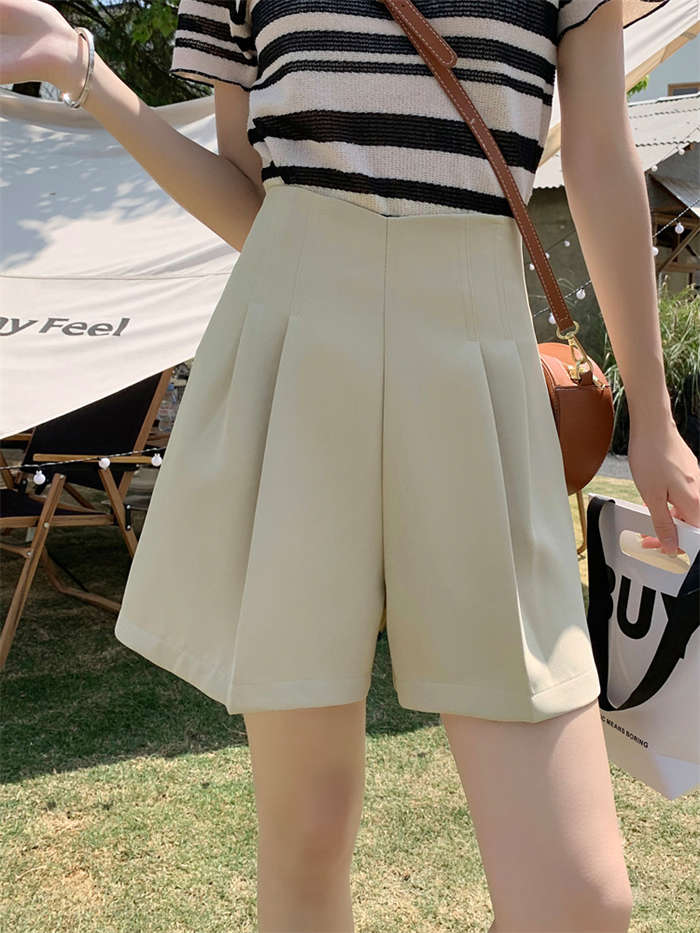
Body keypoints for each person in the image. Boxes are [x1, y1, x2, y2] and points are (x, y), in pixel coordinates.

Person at [2, 1, 697, 930]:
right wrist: (81, 70)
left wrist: (653, 416)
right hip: (299, 345)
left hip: (477, 352)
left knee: (580, 899)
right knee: (308, 830)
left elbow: (604, 155)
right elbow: (249, 197)